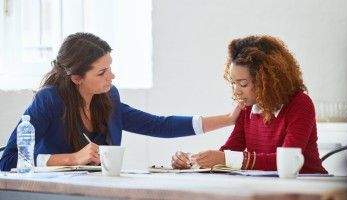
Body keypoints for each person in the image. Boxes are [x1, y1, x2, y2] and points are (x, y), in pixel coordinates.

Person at [0, 32, 243, 171]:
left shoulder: (108, 97)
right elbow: (8, 160)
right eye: (101, 72)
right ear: (76, 78)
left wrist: (228, 119)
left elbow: (158, 125)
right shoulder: (49, 100)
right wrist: (72, 158)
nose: (112, 76)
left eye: (110, 67)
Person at [172, 35, 327, 174]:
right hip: (268, 189)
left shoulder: (300, 104)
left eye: (243, 84)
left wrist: (225, 159)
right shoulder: (247, 108)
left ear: (267, 81)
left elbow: (287, 161)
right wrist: (194, 162)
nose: (236, 92)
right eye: (233, 83)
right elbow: (229, 152)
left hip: (309, 187)